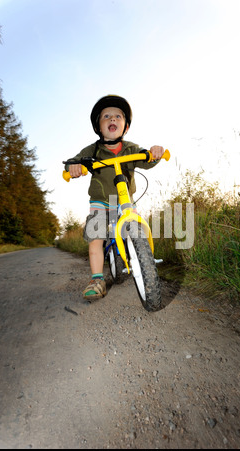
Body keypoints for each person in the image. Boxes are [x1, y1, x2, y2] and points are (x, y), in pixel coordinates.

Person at [66, 95, 164, 301]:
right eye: (106, 116)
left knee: (136, 225)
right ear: (98, 126)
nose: (113, 119)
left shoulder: (130, 148)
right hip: (101, 201)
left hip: (125, 200)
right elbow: (73, 162)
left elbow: (146, 159)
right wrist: (74, 167)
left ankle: (144, 259)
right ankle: (96, 279)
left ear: (125, 126)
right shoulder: (93, 150)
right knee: (97, 235)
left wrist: (154, 153)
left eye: (118, 116)